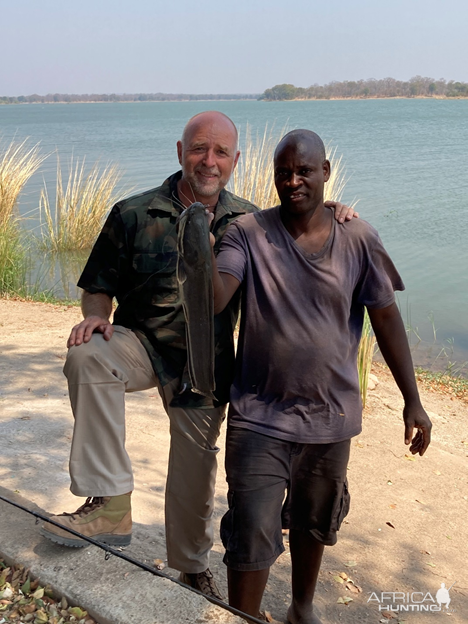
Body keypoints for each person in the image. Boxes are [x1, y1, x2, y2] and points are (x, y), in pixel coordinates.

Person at [40, 112, 356, 599]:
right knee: (88, 354)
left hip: (205, 365)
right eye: (199, 149)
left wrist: (332, 210)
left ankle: (190, 566)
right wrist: (96, 315)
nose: (209, 161)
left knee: (195, 473)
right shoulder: (133, 213)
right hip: (141, 344)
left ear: (234, 161)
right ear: (180, 151)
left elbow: (304, 225)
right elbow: (97, 287)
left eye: (221, 153)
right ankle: (109, 503)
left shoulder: (252, 223)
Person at [211, 129, 432, 622]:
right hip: (258, 415)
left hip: (329, 417)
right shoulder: (247, 233)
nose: (293, 182)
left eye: (304, 171)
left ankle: (302, 608)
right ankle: (243, 617)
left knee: (315, 522)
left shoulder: (357, 236)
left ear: (326, 173)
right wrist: (196, 252)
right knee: (251, 529)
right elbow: (216, 294)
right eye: (283, 173)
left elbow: (387, 317)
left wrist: (412, 400)